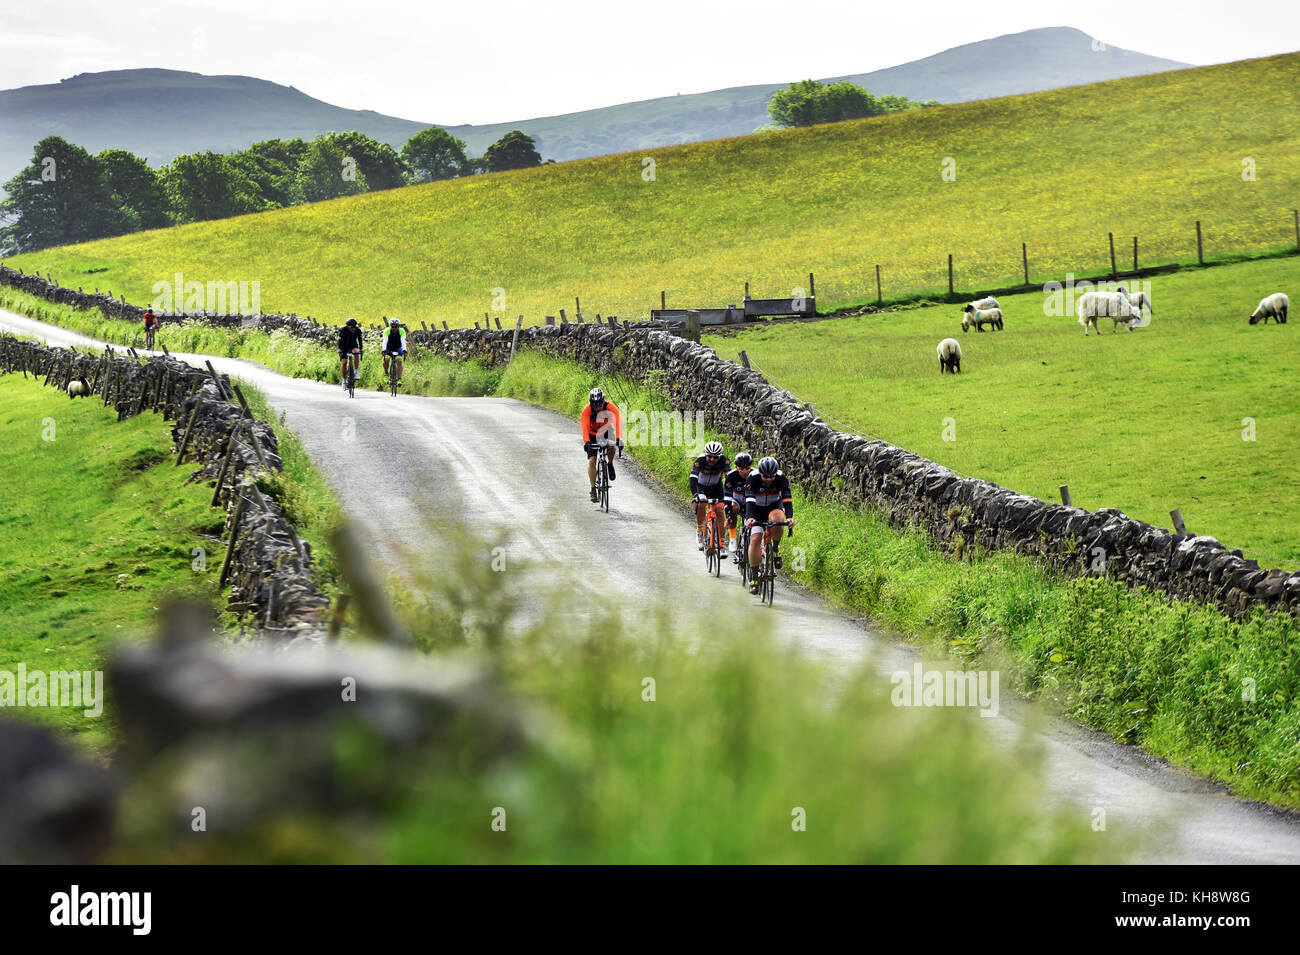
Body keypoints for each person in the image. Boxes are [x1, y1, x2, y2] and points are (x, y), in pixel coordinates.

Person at [745, 455, 794, 594]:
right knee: (755, 539)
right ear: (760, 473)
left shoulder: (781, 478)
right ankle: (754, 577)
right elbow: (749, 501)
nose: (768, 479)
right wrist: (749, 518)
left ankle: (775, 548)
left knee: (779, 519)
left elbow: (787, 500)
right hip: (756, 509)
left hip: (773, 505)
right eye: (765, 477)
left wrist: (790, 517)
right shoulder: (752, 478)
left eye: (771, 477)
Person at [581, 387, 622, 502]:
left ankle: (609, 464)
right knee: (592, 461)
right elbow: (584, 426)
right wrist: (587, 442)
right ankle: (593, 489)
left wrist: (619, 438)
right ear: (591, 403)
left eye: (600, 404)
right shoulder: (587, 410)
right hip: (592, 434)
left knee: (612, 447)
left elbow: (618, 421)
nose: (598, 407)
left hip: (606, 431)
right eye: (595, 405)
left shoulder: (610, 408)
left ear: (603, 401)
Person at [690, 441, 730, 551]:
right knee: (702, 502)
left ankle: (721, 544)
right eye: (710, 457)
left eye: (715, 457)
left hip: (716, 488)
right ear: (705, 454)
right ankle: (699, 531)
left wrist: (730, 492)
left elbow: (729, 477)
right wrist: (695, 495)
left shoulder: (724, 461)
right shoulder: (700, 460)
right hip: (701, 487)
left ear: (720, 456)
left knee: (720, 512)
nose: (712, 459)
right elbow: (693, 479)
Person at [723, 452, 753, 562]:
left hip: (751, 500)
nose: (745, 471)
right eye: (741, 468)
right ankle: (732, 538)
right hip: (737, 499)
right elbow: (727, 498)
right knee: (733, 508)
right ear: (736, 467)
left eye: (747, 468)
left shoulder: (755, 475)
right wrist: (728, 516)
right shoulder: (731, 476)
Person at [338, 318, 363, 388]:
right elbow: (340, 342)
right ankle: (344, 380)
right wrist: (340, 350)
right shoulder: (343, 330)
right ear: (348, 326)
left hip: (353, 345)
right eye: (352, 327)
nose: (353, 329)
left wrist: (361, 349)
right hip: (344, 347)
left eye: (355, 327)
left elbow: (360, 340)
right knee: (344, 362)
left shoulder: (358, 330)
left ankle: (356, 371)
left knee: (356, 352)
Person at [380, 318, 406, 384]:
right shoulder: (387, 330)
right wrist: (383, 350)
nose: (394, 328)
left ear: (398, 326)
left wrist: (404, 350)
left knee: (399, 361)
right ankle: (386, 373)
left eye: (396, 326)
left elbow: (403, 341)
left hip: (398, 348)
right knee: (386, 360)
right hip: (388, 348)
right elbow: (385, 341)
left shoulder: (402, 331)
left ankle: (399, 379)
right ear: (390, 326)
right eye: (392, 326)